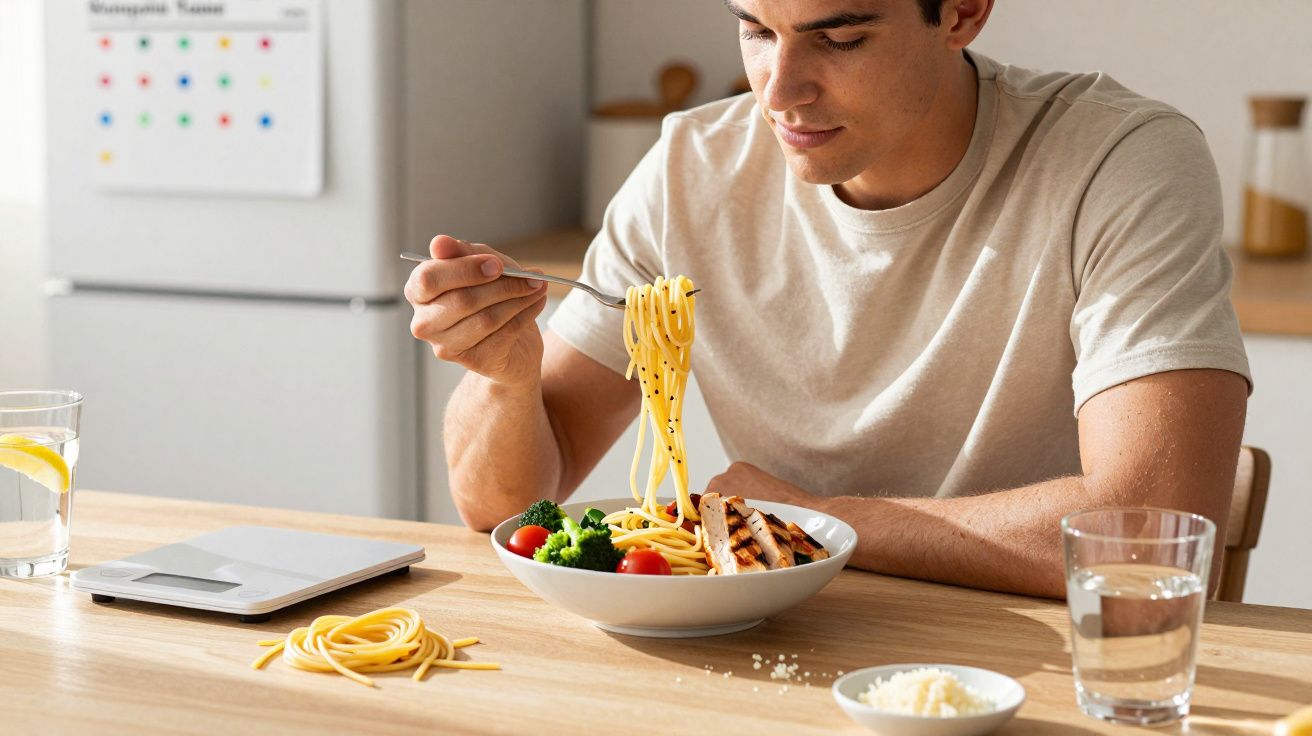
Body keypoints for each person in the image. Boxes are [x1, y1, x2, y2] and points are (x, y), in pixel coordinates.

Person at [404, 0, 1251, 598]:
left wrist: (814, 522)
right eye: (755, 29)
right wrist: (505, 379)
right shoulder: (688, 170)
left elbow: (1151, 531)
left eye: (837, 37)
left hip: (1033, 658)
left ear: (962, 12)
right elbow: (501, 506)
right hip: (776, 643)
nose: (777, 91)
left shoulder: (1119, 162)